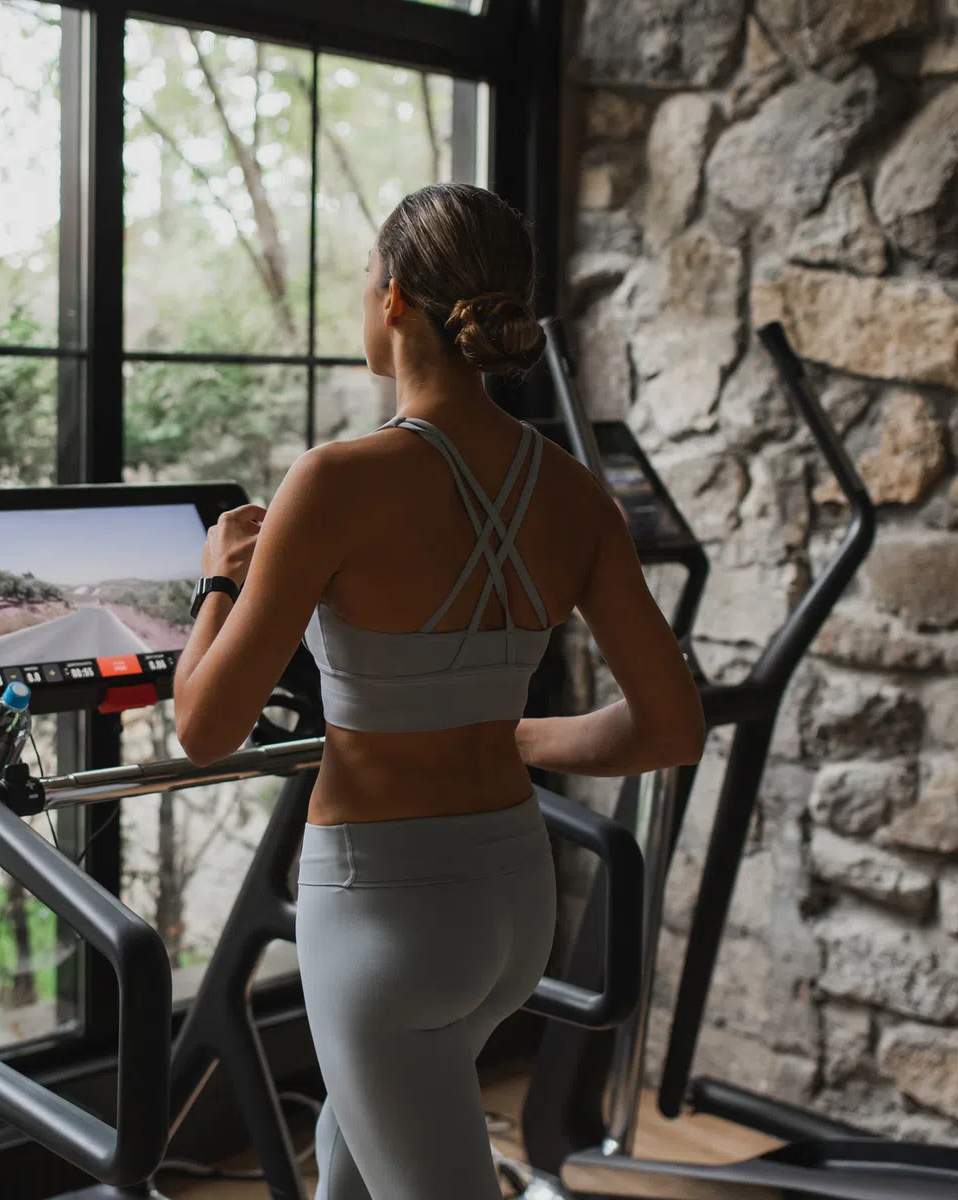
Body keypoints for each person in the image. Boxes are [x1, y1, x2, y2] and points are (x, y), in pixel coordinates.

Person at [171, 183, 704, 1200]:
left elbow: (205, 727)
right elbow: (670, 726)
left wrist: (219, 581)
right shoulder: (575, 493)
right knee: (353, 1162)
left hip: (383, 915)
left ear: (396, 298)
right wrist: (512, 739)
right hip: (512, 903)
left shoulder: (334, 482)